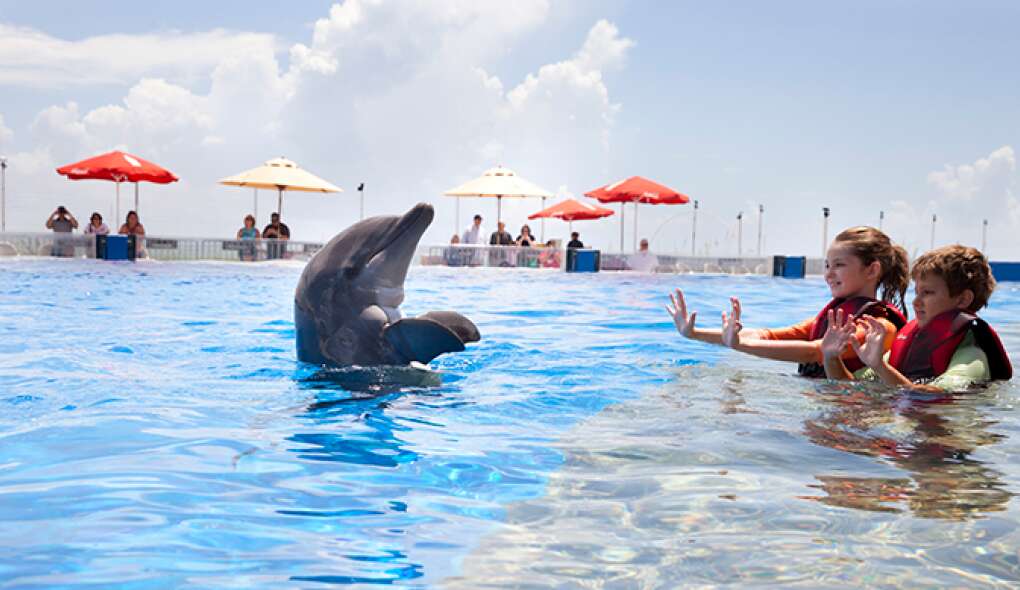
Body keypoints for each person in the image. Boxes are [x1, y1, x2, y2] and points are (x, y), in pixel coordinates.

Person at [666, 226, 910, 377]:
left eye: (839, 265)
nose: (828, 274)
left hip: (852, 420)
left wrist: (739, 346)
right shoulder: (830, 318)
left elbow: (816, 352)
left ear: (872, 270)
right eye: (827, 265)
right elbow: (767, 336)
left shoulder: (879, 326)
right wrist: (694, 333)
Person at [821, 244, 1011, 391]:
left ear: (963, 299)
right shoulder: (909, 342)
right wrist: (831, 358)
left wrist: (881, 368)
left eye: (928, 292)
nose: (916, 302)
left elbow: (936, 398)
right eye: (917, 292)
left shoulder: (972, 356)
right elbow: (851, 388)